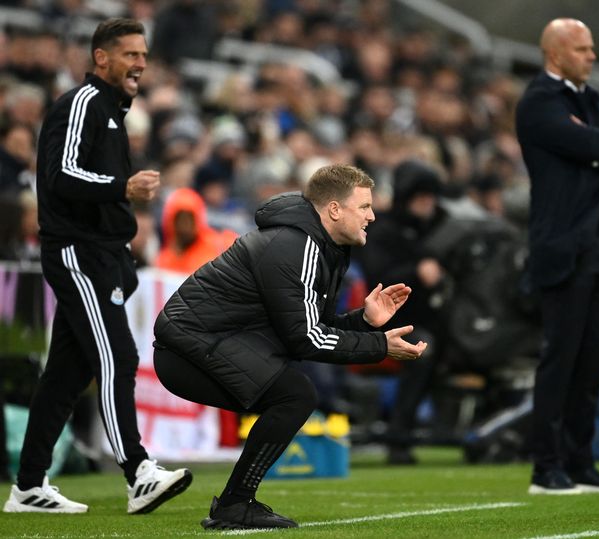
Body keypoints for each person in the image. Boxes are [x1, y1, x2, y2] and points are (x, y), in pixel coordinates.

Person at [152, 164, 427, 530]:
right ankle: (235, 504)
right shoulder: (296, 245)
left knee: (293, 393)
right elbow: (305, 339)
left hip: (210, 342)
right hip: (186, 349)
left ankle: (236, 502)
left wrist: (363, 321)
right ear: (333, 209)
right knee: (294, 394)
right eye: (363, 207)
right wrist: (378, 345)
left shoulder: (319, 246)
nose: (372, 216)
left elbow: (309, 328)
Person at [4, 18, 192, 515]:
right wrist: (122, 188)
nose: (141, 63)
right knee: (117, 357)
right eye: (130, 54)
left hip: (104, 253)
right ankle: (138, 472)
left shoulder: (111, 110)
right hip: (79, 251)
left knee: (66, 375)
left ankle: (27, 485)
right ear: (101, 58)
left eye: (144, 54)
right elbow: (60, 176)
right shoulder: (82, 103)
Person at [515, 18, 599, 495]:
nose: (593, 56)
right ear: (556, 54)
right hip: (566, 250)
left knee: (592, 363)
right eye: (584, 49)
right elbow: (595, 144)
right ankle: (546, 467)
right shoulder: (537, 102)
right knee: (561, 359)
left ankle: (580, 461)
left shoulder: (590, 100)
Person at [354, 159, 449, 465]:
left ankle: (445, 427)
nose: (427, 202)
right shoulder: (383, 229)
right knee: (424, 350)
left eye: (430, 195)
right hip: (389, 321)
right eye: (420, 196)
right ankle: (399, 435)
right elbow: (377, 276)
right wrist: (417, 271)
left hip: (429, 319)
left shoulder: (438, 227)